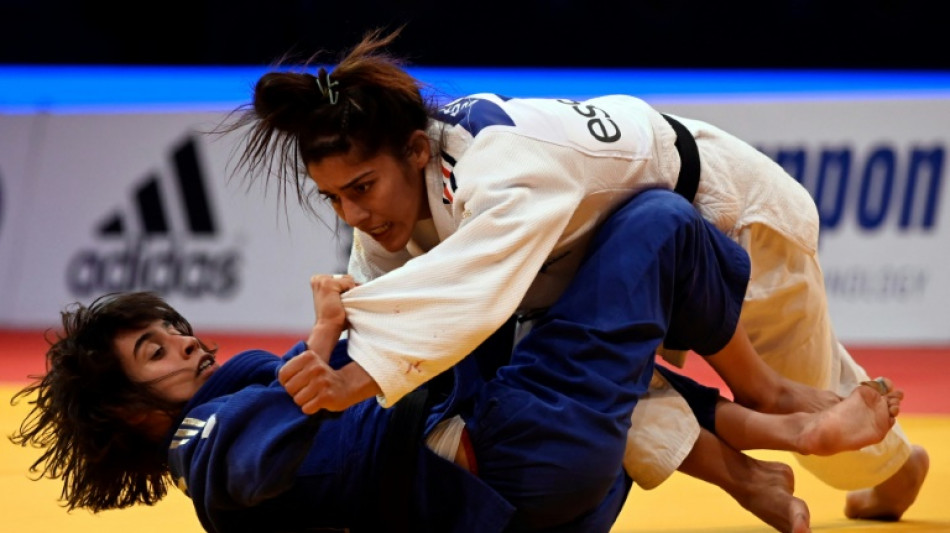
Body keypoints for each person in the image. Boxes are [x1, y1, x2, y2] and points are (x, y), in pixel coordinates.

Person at [223, 28, 927, 521]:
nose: (354, 214)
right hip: (620, 247)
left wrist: (357, 377)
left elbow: (469, 291)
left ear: (414, 150)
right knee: (570, 381)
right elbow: (390, 316)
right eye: (335, 198)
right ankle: (755, 473)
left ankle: (888, 471)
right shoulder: (402, 203)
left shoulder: (498, 162)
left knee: (811, 395)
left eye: (363, 187)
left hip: (731, 211)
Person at [10, 191, 901, 533]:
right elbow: (254, 458)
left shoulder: (239, 377)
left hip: (525, 477)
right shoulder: (195, 444)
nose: (186, 342)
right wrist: (323, 346)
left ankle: (758, 449)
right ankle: (772, 420)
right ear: (132, 411)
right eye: (155, 352)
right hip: (497, 467)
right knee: (657, 227)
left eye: (173, 326)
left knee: (531, 317)